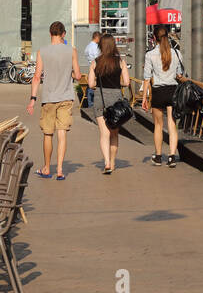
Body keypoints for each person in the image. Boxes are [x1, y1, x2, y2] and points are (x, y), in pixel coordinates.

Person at [26, 21, 80, 180]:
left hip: (49, 98)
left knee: (48, 134)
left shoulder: (42, 51)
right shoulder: (72, 50)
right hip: (66, 97)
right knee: (62, 133)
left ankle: (47, 168)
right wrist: (69, 74)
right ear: (63, 34)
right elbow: (77, 75)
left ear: (50, 34)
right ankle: (61, 170)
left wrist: (32, 100)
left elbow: (36, 77)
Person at [88, 34, 131, 175]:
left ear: (101, 46)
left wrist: (100, 84)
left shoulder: (95, 62)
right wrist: (116, 83)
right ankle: (112, 162)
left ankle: (106, 162)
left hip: (100, 98)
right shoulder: (121, 62)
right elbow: (126, 82)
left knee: (104, 133)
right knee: (114, 133)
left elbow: (90, 84)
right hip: (116, 99)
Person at [141, 27, 182, 168]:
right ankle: (172, 157)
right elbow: (180, 74)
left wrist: (145, 97)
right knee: (172, 125)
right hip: (173, 90)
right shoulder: (176, 53)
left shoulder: (150, 55)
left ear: (154, 37)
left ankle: (158, 156)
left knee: (158, 125)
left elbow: (147, 78)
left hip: (158, 91)